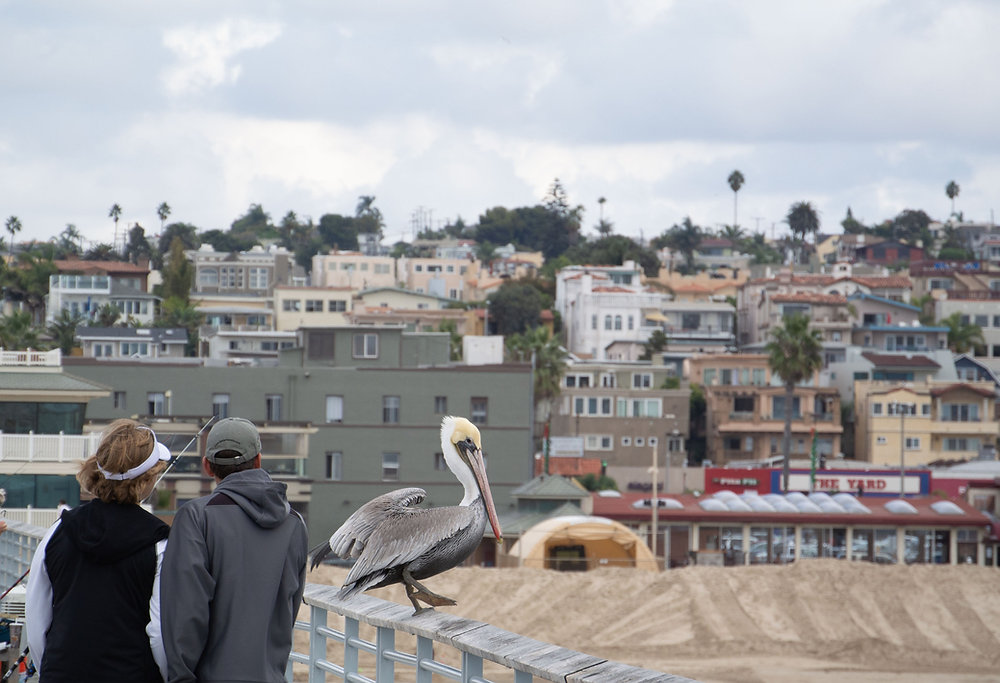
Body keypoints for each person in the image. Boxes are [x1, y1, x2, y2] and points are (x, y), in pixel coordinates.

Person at [160, 417, 308, 683]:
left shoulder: (196, 518)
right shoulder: (294, 524)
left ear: (207, 466)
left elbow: (185, 612)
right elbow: (289, 609)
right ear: (259, 460)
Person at [26, 419, 171, 682]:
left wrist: (53, 669)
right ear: (147, 480)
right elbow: (159, 633)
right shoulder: (159, 543)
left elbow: (36, 619)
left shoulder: (58, 531)